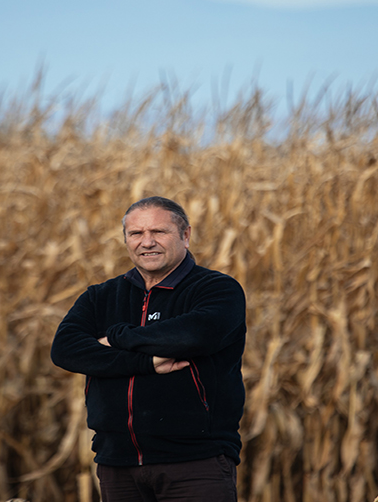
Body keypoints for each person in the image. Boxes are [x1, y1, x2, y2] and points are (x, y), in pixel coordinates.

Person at [51, 196, 247, 501]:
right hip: (117, 463)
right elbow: (65, 350)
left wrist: (115, 337)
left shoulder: (216, 290)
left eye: (159, 232)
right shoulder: (100, 297)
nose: (147, 242)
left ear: (185, 235)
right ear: (126, 239)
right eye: (136, 234)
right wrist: (146, 362)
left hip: (195, 463)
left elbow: (194, 336)